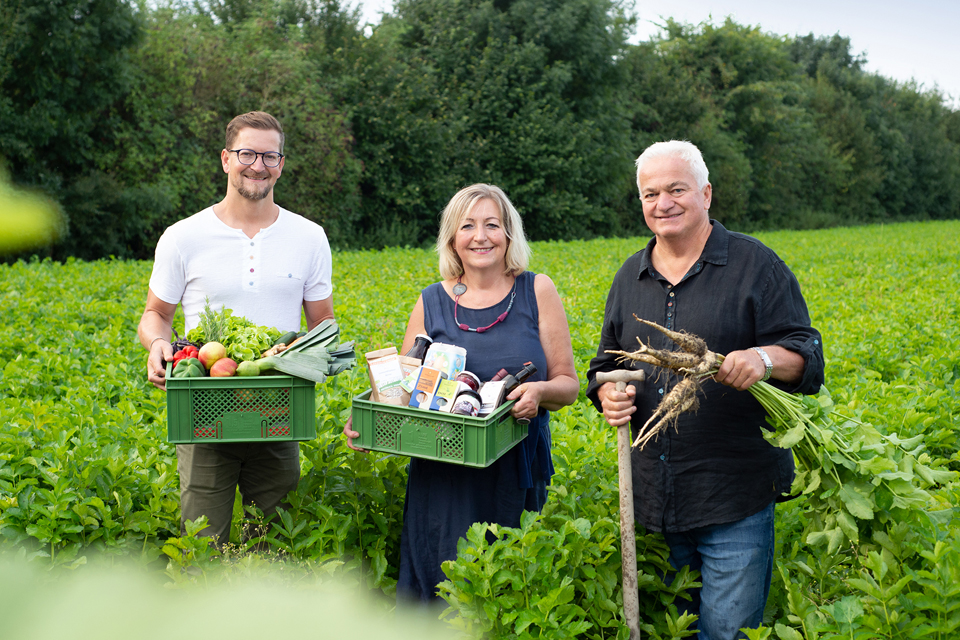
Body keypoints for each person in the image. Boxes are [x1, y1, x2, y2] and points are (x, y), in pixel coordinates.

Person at [585, 140, 824, 639]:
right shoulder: (631, 275)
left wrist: (762, 359)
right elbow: (605, 365)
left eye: (677, 189)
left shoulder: (756, 265)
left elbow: (807, 356)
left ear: (707, 193)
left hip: (733, 499)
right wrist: (607, 394)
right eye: (651, 194)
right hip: (654, 501)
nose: (663, 203)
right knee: (671, 631)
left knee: (726, 635)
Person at [343, 183, 579, 603]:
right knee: (441, 589)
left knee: (509, 587)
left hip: (513, 471)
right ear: (453, 237)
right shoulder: (431, 301)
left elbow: (568, 384)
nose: (481, 236)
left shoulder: (536, 290)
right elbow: (399, 390)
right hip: (442, 476)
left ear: (509, 234)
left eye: (492, 224)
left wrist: (539, 391)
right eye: (467, 226)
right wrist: (369, 419)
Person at [137, 111, 335, 544]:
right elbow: (156, 315)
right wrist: (156, 343)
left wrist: (306, 355)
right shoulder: (183, 237)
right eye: (247, 153)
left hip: (278, 412)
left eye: (270, 155)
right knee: (202, 547)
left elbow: (323, 323)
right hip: (202, 415)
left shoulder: (309, 237)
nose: (258, 165)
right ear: (226, 159)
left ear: (281, 164)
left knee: (274, 546)